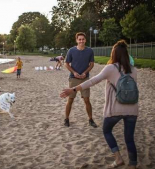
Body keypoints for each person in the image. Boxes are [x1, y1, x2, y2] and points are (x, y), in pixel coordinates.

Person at [60, 40, 139, 169]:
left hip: (115, 109)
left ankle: (118, 158)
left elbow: (92, 81)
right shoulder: (133, 70)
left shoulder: (111, 68)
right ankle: (133, 165)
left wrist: (73, 89)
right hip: (132, 109)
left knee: (107, 130)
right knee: (129, 139)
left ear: (114, 54)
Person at [63, 32, 97, 128]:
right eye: (79, 39)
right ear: (77, 40)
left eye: (83, 39)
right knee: (70, 99)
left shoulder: (89, 51)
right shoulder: (71, 51)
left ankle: (90, 119)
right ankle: (66, 118)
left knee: (87, 100)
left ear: (85, 40)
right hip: (73, 78)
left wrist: (85, 72)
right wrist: (74, 72)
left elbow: (91, 64)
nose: (81, 41)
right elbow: (66, 63)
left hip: (85, 78)